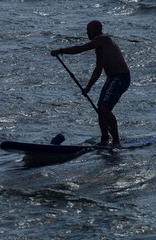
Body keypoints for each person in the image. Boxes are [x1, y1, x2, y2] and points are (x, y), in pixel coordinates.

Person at [51, 20, 130, 148]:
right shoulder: (99, 48)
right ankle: (105, 139)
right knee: (101, 109)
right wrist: (88, 87)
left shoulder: (103, 39)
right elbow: (98, 69)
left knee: (104, 108)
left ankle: (116, 141)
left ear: (96, 30)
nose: (87, 33)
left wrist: (61, 50)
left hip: (120, 77)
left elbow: (81, 48)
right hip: (112, 78)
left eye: (89, 30)